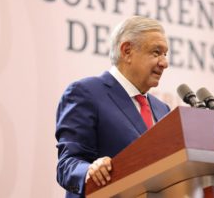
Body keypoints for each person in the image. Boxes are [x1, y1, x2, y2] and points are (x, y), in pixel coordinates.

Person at [55, 16, 170, 198]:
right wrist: (90, 171)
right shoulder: (86, 93)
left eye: (165, 54)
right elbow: (67, 165)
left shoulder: (163, 110)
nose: (164, 63)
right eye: (156, 53)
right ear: (127, 51)